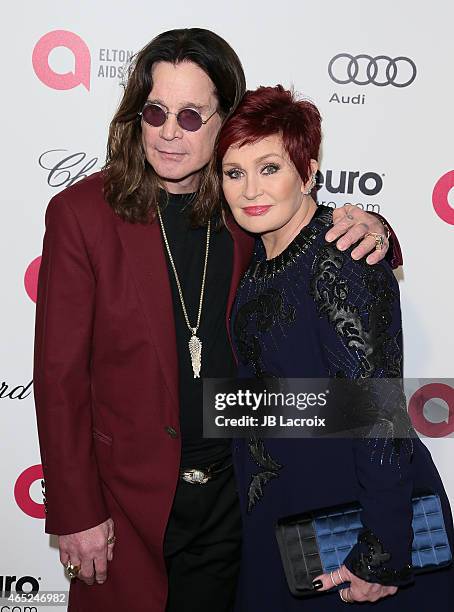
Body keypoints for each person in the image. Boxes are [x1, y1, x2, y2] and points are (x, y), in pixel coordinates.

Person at [33, 29, 399, 612]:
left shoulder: (245, 206)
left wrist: (378, 230)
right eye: (155, 111)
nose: (169, 131)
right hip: (127, 501)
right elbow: (58, 379)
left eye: (190, 115)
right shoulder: (82, 214)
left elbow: (314, 240)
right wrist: (77, 510)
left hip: (241, 497)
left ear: (224, 121)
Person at [217, 84, 454, 610]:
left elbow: (378, 412)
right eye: (235, 172)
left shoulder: (341, 255)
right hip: (283, 515)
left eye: (270, 167)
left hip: (349, 523)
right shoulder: (259, 257)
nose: (251, 188)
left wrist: (383, 550)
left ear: (308, 172)